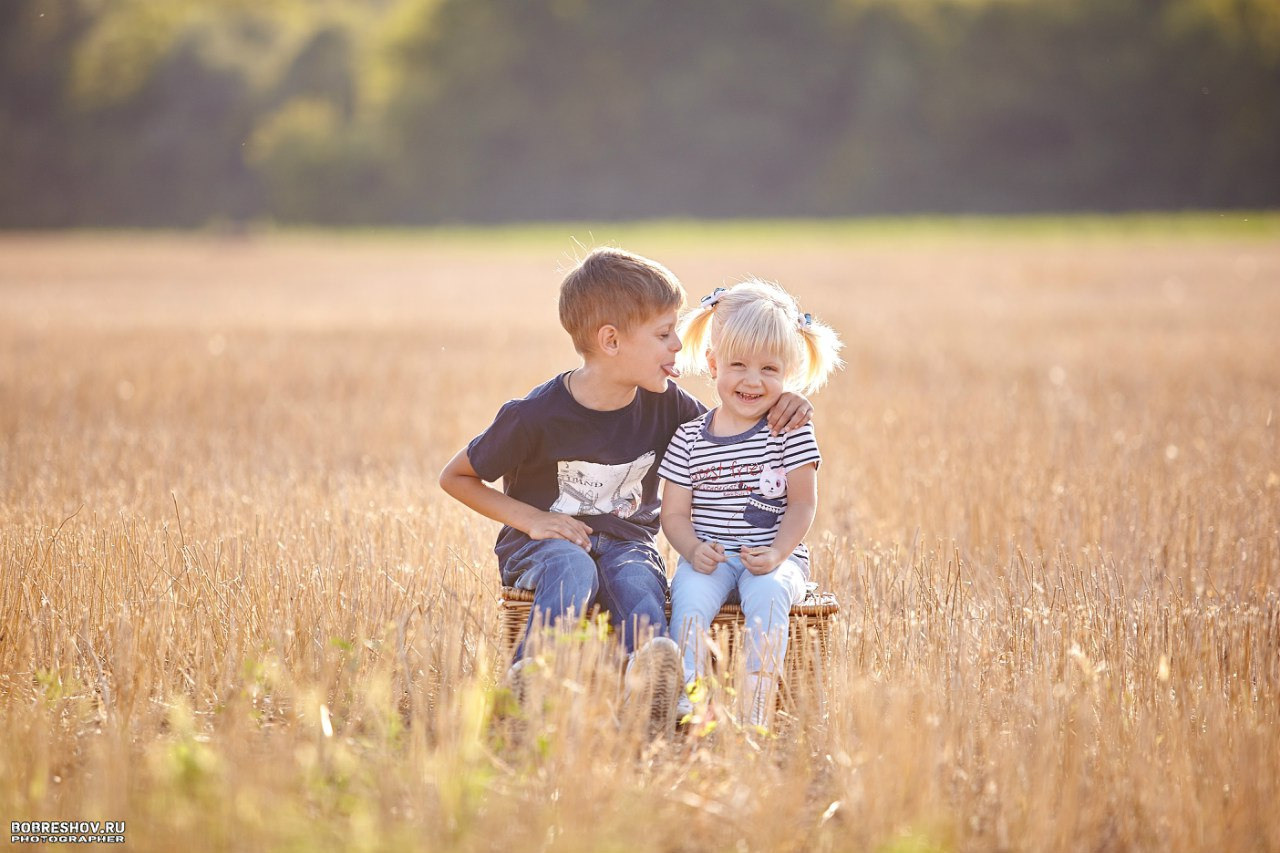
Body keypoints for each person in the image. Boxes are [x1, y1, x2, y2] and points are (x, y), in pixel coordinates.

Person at [438, 249, 813, 738]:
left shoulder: (667, 406)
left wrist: (787, 399)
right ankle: (529, 685)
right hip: (543, 547)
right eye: (663, 334)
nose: (679, 345)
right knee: (571, 564)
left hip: (625, 543)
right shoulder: (532, 416)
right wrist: (531, 520)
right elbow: (457, 477)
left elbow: (730, 427)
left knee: (639, 579)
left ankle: (652, 681)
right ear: (611, 341)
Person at [658, 279, 843, 729]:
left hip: (774, 556)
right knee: (689, 600)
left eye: (769, 369)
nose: (752, 380)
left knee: (769, 595)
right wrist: (690, 549)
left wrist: (778, 553)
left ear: (789, 373)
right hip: (712, 556)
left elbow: (802, 504)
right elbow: (674, 513)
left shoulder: (790, 431)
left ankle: (757, 704)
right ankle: (689, 700)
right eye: (737, 365)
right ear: (713, 362)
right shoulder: (689, 438)